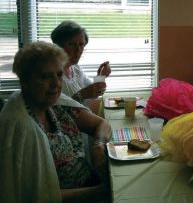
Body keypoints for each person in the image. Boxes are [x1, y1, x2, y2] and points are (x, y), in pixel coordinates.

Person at [0, 41, 111, 203]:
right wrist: (100, 192)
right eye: (45, 76)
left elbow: (101, 124)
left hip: (91, 185)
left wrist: (98, 145)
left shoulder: (56, 106)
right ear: (25, 80)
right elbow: (36, 196)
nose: (55, 84)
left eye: (59, 75)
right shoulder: (20, 127)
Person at [51, 20, 111, 111]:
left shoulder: (75, 68)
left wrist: (101, 76)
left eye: (81, 44)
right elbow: (56, 114)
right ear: (58, 45)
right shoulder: (52, 75)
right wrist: (81, 95)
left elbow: (96, 92)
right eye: (71, 44)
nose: (78, 50)